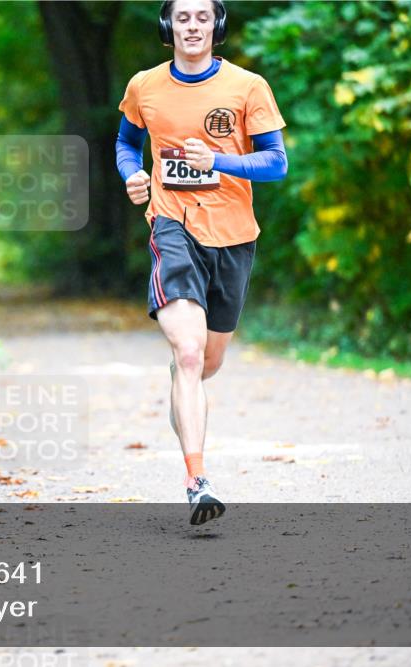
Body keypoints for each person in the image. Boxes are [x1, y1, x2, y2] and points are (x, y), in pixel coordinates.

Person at [115, 0, 288, 525]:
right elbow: (126, 142)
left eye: (202, 17)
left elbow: (275, 162)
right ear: (169, 26)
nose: (193, 26)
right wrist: (133, 175)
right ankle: (197, 482)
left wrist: (219, 161)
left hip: (234, 237)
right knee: (189, 354)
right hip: (172, 226)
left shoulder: (247, 86)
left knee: (204, 364)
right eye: (183, 17)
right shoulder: (144, 85)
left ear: (217, 25)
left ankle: (183, 376)